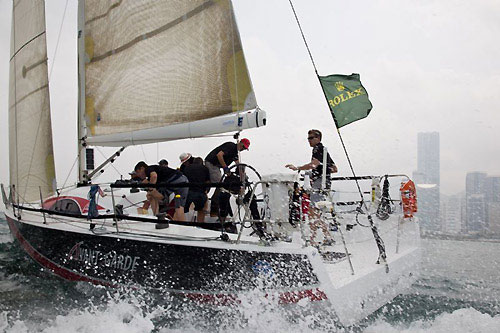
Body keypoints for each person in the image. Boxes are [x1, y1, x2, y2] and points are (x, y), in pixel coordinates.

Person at [285, 129, 337, 247]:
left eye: (311, 138)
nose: (309, 140)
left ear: (318, 138)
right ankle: (323, 237)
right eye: (308, 138)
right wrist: (323, 170)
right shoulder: (324, 151)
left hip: (319, 184)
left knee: (313, 211)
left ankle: (315, 239)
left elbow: (314, 164)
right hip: (324, 184)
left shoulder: (318, 148)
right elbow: (334, 169)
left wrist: (298, 168)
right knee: (316, 212)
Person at [204, 138, 250, 216]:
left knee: (216, 183)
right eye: (243, 147)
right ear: (240, 143)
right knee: (220, 185)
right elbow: (219, 155)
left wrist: (243, 177)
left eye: (245, 148)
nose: (243, 149)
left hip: (216, 166)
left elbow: (238, 164)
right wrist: (225, 167)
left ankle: (210, 202)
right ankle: (214, 207)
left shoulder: (235, 153)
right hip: (211, 163)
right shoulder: (231, 146)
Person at [182, 157, 210, 222]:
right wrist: (206, 191)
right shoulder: (205, 168)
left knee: (182, 209)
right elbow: (208, 182)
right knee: (201, 210)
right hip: (200, 192)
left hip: (188, 192)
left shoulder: (187, 168)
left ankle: (181, 223)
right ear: (201, 162)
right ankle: (200, 225)